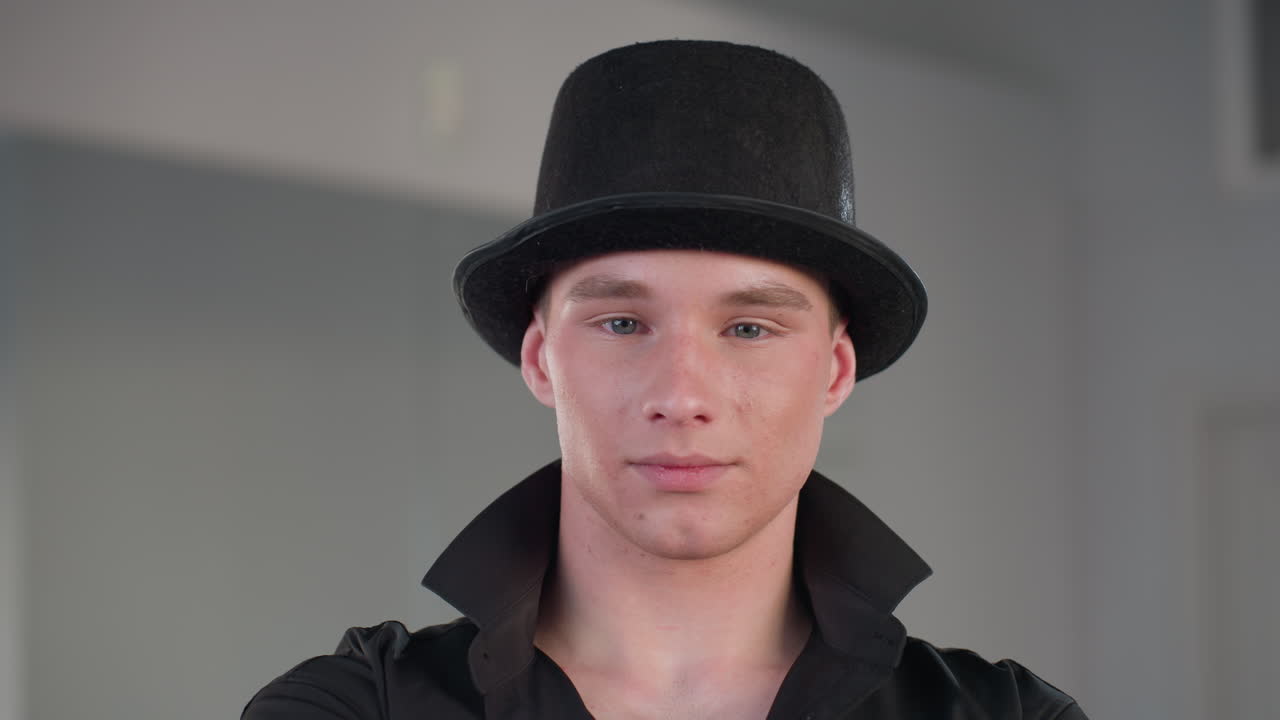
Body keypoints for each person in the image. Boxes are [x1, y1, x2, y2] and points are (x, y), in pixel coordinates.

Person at [242, 39, 1087, 719]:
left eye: (749, 328)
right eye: (622, 323)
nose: (682, 398)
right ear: (540, 359)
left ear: (834, 372)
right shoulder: (357, 709)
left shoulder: (1009, 716)